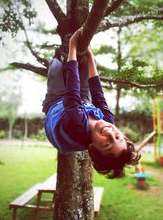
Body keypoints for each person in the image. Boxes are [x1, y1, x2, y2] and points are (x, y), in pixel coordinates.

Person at [42, 27, 140, 178]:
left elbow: (72, 90)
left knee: (56, 67)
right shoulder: (108, 121)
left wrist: (73, 45)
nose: (110, 133)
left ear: (93, 149)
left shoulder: (76, 124)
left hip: (57, 103)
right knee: (85, 66)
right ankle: (77, 57)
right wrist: (90, 55)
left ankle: (59, 54)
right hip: (82, 103)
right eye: (118, 137)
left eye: (107, 144)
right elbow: (98, 94)